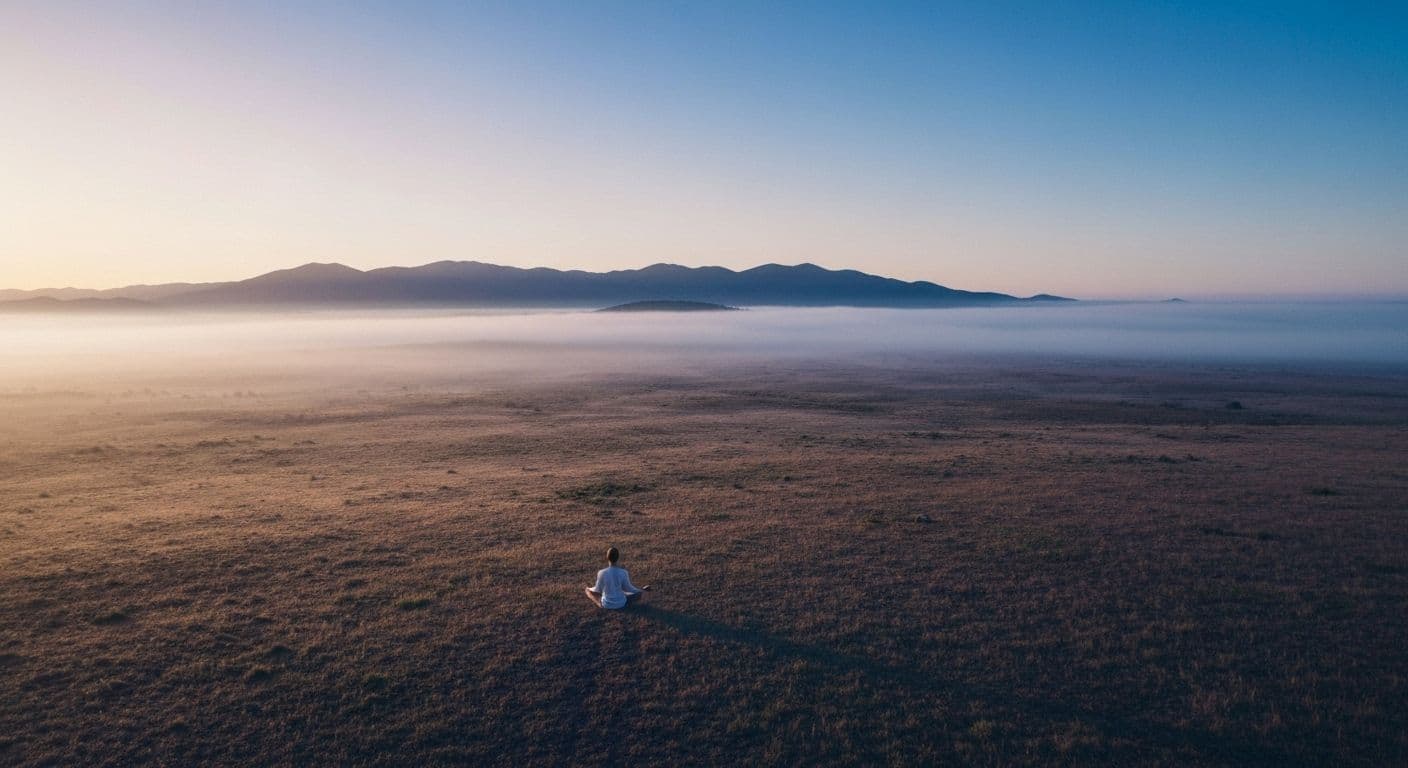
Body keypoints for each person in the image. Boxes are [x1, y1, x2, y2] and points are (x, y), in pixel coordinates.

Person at [584, 546, 650, 609]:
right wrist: (640, 591)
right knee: (636, 595)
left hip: (607, 604)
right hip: (621, 603)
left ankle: (598, 601)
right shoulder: (623, 572)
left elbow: (598, 589)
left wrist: (589, 589)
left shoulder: (601, 572)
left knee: (588, 591)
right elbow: (629, 589)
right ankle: (642, 592)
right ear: (618, 558)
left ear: (607, 557)